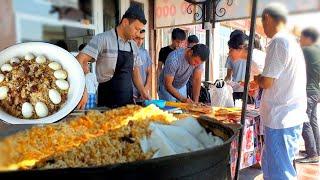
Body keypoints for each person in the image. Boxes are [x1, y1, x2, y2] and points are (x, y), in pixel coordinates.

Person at [254, 3, 308, 179]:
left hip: (281, 118)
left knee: (279, 172)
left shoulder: (279, 41)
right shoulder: (291, 41)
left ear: (268, 18)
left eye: (263, 22)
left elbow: (267, 82)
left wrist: (257, 79)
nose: (263, 27)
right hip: (285, 117)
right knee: (274, 168)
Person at [76, 5, 150, 109]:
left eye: (140, 30)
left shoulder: (133, 45)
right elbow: (80, 59)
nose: (137, 33)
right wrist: (82, 89)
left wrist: (143, 91)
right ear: (125, 22)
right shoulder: (102, 39)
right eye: (136, 29)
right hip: (106, 104)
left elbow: (135, 71)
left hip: (128, 104)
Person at [296, 28, 320, 163]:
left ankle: (312, 154)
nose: (300, 40)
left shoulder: (305, 50)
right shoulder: (318, 50)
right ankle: (316, 149)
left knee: (304, 120)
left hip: (308, 90)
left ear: (308, 38)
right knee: (313, 121)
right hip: (316, 90)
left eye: (301, 37)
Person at [132, 29, 152, 101]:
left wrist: (146, 88)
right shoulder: (127, 52)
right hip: (130, 94)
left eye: (142, 39)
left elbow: (149, 72)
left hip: (143, 94)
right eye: (137, 38)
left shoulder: (144, 52)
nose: (140, 42)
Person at [78, 43, 98, 109]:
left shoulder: (91, 76)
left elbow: (97, 86)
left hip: (92, 99)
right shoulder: (77, 75)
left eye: (88, 63)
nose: (86, 65)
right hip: (81, 98)